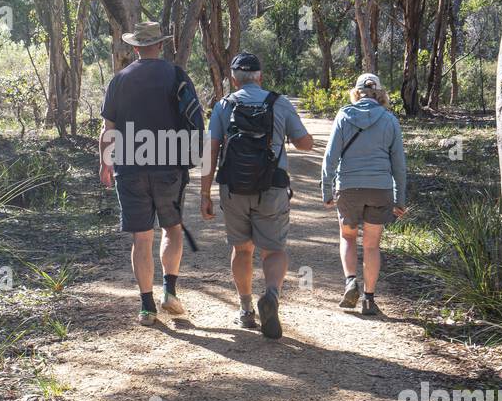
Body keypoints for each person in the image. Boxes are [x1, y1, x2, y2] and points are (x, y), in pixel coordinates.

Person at [200, 52, 313, 339]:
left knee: (242, 249)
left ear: (234, 80)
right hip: (272, 187)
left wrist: (205, 193)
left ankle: (246, 309)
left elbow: (210, 151)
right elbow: (304, 143)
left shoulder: (224, 105)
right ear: (260, 77)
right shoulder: (280, 103)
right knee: (274, 250)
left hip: (233, 187)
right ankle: (272, 295)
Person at [99, 21, 203, 326]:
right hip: (169, 165)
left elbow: (109, 130)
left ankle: (146, 307)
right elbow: (195, 119)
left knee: (141, 238)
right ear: (161, 45)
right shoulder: (176, 75)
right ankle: (170, 291)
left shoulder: (119, 80)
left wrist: (106, 164)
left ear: (135, 48)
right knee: (172, 230)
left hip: (129, 168)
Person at [320, 73, 407, 318]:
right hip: (380, 189)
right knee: (371, 245)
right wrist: (400, 199)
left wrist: (327, 190)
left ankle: (350, 282)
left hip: (348, 187)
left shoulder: (343, 116)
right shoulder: (390, 120)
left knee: (348, 237)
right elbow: (399, 165)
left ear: (356, 93)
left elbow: (330, 158)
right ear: (379, 94)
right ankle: (369, 299)